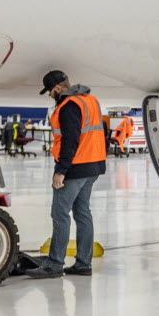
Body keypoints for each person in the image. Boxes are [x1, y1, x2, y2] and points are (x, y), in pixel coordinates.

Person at [31, 69, 107, 278]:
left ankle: (54, 264)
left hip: (75, 168)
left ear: (57, 88)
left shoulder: (68, 106)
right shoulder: (90, 100)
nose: (49, 95)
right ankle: (83, 264)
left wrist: (60, 171)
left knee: (60, 214)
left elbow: (70, 141)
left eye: (49, 91)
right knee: (82, 213)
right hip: (93, 166)